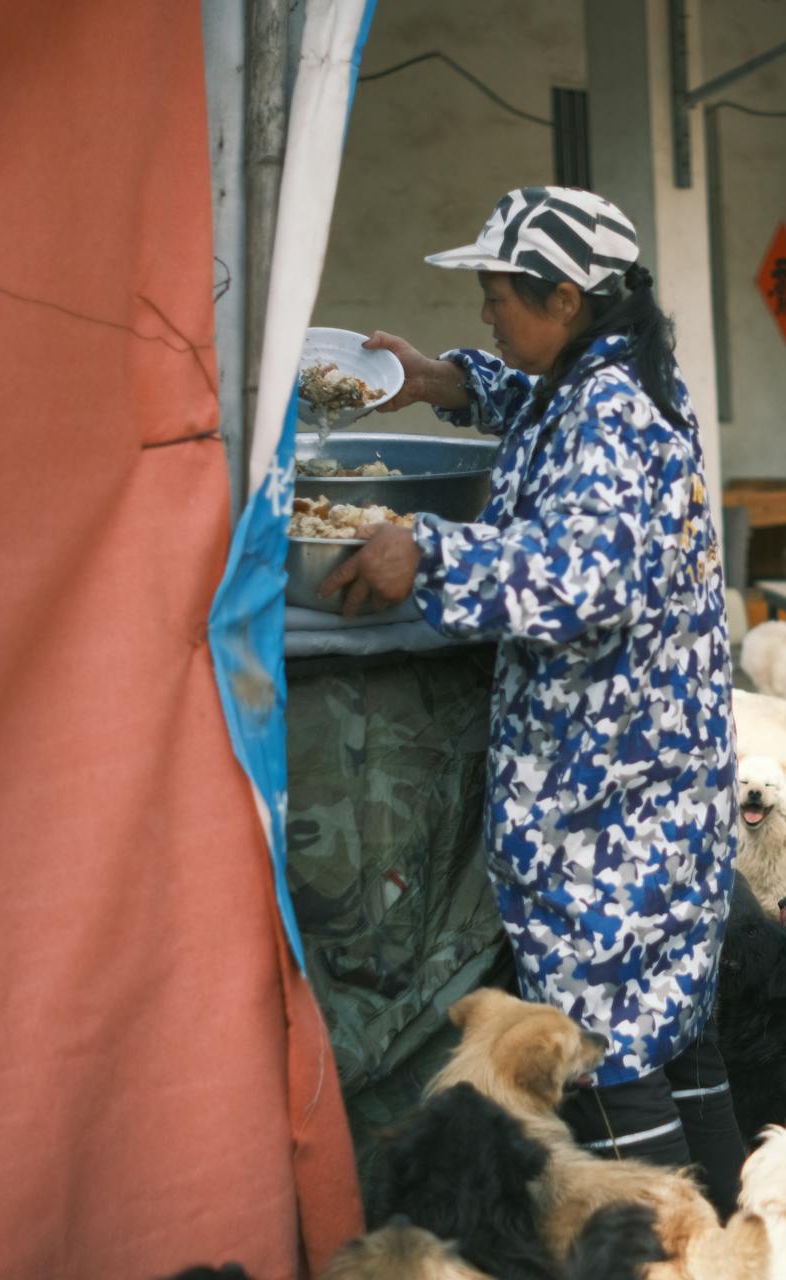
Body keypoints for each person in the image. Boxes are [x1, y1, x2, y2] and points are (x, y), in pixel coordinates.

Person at [314, 188, 746, 1208]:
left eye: (497, 296)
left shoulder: (608, 410)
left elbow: (578, 576)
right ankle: (746, 1239)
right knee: (675, 1033)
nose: (485, 313)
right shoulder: (613, 372)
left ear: (563, 296)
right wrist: (445, 381)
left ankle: (661, 1249)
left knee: (599, 1048)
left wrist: (423, 550)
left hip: (612, 801)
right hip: (661, 779)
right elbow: (535, 404)